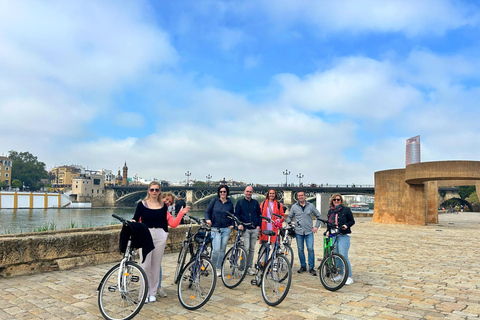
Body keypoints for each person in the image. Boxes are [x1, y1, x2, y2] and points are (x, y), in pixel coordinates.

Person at [132, 182, 189, 303]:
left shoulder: (163, 207)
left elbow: (172, 223)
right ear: (148, 191)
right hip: (145, 234)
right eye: (152, 189)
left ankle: (152, 292)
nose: (154, 192)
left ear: (159, 191)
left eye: (156, 190)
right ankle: (144, 293)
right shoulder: (142, 205)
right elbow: (136, 219)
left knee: (155, 266)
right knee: (145, 265)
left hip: (160, 235)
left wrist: (181, 214)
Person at [286, 190, 321, 276]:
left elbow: (319, 216)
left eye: (302, 195)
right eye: (299, 196)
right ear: (297, 197)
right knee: (300, 250)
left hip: (309, 231)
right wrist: (289, 224)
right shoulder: (294, 207)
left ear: (305, 196)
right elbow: (289, 217)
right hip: (299, 231)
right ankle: (303, 266)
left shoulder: (311, 206)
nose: (301, 197)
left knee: (310, 249)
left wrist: (316, 226)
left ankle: (311, 267)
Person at [205, 185, 234, 277]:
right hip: (215, 228)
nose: (222, 193)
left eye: (224, 191)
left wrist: (232, 224)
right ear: (219, 192)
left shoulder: (230, 203)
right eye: (221, 191)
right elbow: (207, 212)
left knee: (222, 250)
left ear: (227, 192)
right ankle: (213, 266)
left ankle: (218, 268)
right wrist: (207, 219)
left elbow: (232, 215)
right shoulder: (214, 201)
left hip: (226, 229)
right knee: (216, 249)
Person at [326, 193, 355, 285]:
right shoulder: (330, 211)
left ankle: (349, 276)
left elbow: (352, 221)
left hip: (343, 235)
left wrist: (346, 225)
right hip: (334, 235)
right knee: (336, 255)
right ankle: (340, 274)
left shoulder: (346, 210)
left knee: (343, 255)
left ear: (341, 201)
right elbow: (329, 223)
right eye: (334, 200)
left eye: (338, 200)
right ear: (332, 201)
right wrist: (328, 231)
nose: (336, 201)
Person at [235, 186, 261, 275]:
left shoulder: (255, 203)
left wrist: (258, 226)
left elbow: (259, 215)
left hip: (254, 229)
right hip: (245, 229)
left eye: (250, 192)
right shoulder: (240, 203)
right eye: (247, 191)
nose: (248, 193)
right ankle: (242, 267)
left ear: (252, 193)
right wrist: (239, 224)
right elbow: (237, 215)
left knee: (252, 249)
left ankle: (249, 267)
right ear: (244, 192)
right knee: (245, 249)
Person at [156, 192, 175, 298]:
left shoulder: (167, 212)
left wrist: (181, 213)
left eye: (170, 201)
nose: (167, 202)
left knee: (157, 264)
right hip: (147, 236)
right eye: (166, 199)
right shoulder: (150, 206)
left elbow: (173, 224)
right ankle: (148, 287)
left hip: (160, 238)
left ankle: (158, 287)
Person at [259, 189, 285, 261]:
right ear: (268, 194)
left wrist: (278, 220)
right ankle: (263, 263)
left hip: (274, 227)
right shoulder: (263, 203)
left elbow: (282, 216)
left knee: (275, 246)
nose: (271, 195)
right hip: (265, 227)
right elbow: (259, 215)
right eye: (270, 193)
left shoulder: (279, 205)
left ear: (275, 195)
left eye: (273, 193)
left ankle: (274, 262)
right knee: (264, 246)